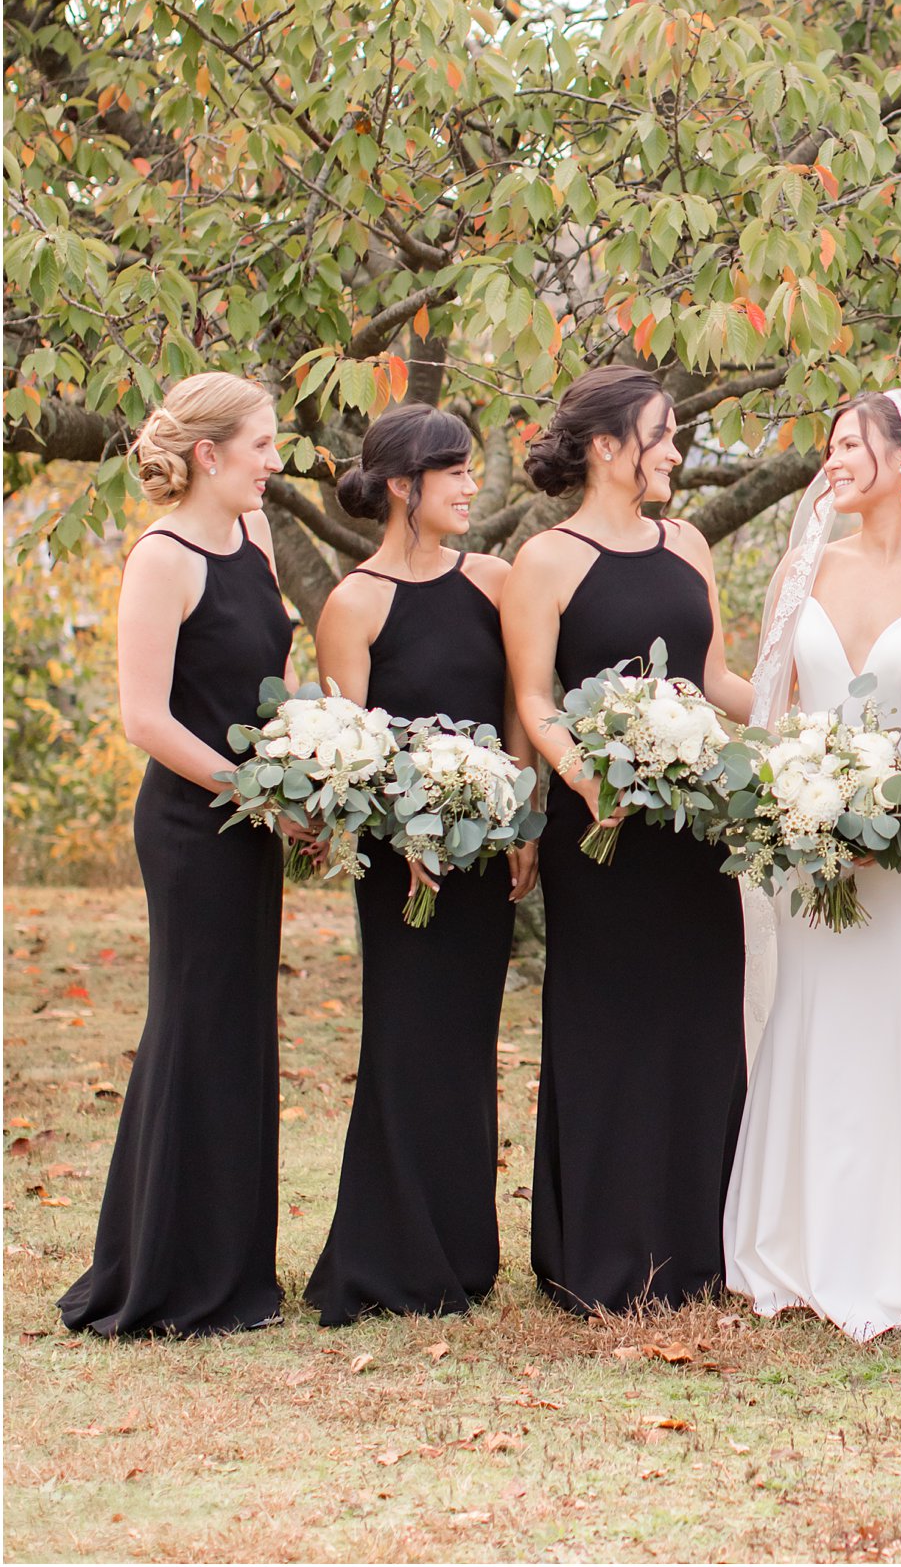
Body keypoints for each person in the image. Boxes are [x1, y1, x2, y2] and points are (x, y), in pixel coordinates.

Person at [724, 391, 901, 1340]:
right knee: (810, 1009)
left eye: (852, 444)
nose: (833, 459)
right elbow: (777, 707)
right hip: (809, 832)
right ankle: (799, 1249)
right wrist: (799, 794)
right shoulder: (803, 568)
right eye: (830, 442)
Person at [504, 367, 752, 1315]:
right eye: (662, 434)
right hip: (596, 830)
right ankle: (603, 1252)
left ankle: (700, 1250)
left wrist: (796, 718)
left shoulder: (686, 541)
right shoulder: (545, 560)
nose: (676, 451)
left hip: (695, 832)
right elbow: (533, 698)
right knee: (609, 1031)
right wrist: (581, 772)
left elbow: (717, 677)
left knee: (696, 1025)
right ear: (607, 447)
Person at [60, 373, 295, 1337]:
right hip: (192, 829)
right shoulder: (161, 558)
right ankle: (159, 1275)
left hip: (255, 825)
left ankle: (233, 1275)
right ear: (210, 454)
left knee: (242, 1031)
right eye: (264, 446)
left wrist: (306, 775)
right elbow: (144, 717)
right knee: (193, 1027)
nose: (276, 462)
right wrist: (252, 790)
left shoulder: (260, 540)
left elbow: (269, 687)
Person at [304, 404, 535, 1325]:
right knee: (404, 1041)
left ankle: (464, 1253)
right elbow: (346, 751)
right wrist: (403, 840)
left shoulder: (494, 579)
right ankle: (388, 1254)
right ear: (404, 485)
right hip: (402, 867)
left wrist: (521, 814)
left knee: (468, 1043)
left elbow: (522, 704)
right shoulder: (352, 603)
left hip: (483, 863)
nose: (474, 486)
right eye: (456, 472)